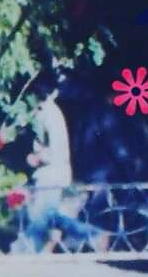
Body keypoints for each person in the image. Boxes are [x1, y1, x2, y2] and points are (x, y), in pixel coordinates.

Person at [12, 75, 102, 253]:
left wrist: (36, 157)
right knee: (49, 215)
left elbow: (57, 149)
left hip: (52, 173)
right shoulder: (46, 113)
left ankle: (24, 251)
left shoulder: (50, 114)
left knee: (41, 216)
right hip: (52, 173)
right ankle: (90, 234)